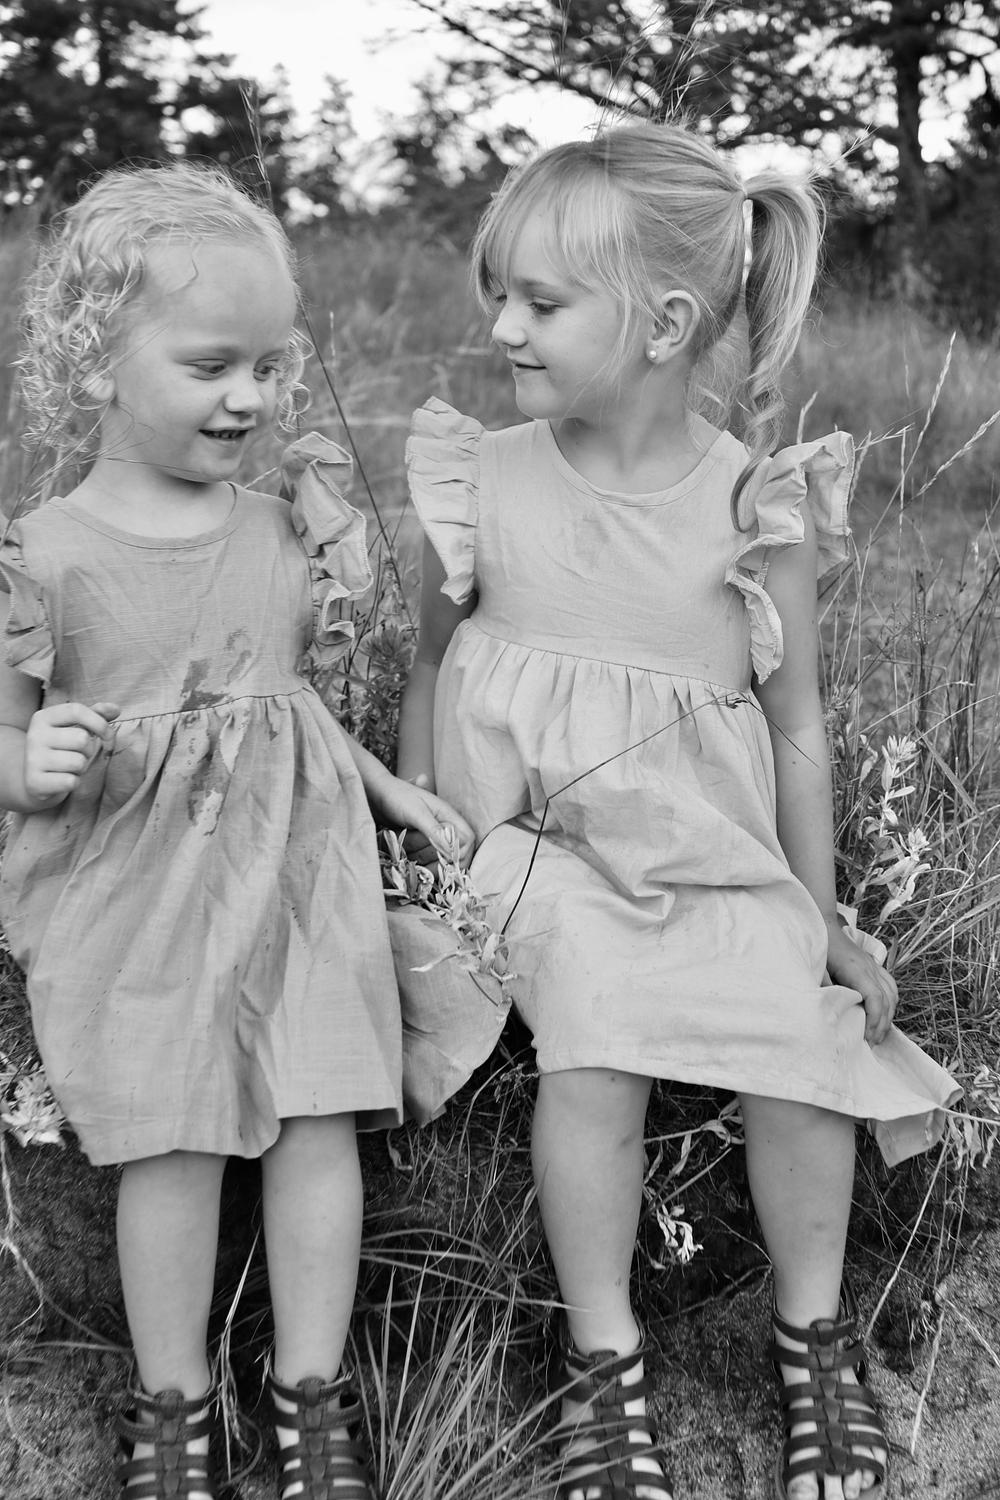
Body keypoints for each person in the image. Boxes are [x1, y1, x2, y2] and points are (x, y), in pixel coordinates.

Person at [397, 120, 959, 1500]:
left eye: (541, 301)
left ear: (660, 324)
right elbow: (427, 670)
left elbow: (796, 726)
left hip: (705, 849)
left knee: (798, 1023)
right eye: (500, 293)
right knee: (595, 1037)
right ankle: (603, 1359)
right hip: (536, 847)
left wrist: (819, 916)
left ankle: (815, 1338)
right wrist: (421, 854)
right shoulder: (481, 478)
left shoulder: (752, 507)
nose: (503, 326)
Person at [0, 160, 472, 1500]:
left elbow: (283, 706)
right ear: (97, 361)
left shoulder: (277, 528)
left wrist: (387, 789)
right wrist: (26, 762)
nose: (251, 397)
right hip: (133, 880)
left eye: (269, 366)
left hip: (297, 872)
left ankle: (311, 1399)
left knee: (320, 1115)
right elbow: (8, 731)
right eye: (212, 366)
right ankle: (174, 1409)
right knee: (176, 1134)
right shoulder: (46, 554)